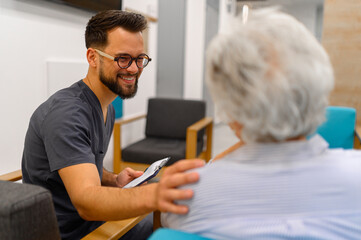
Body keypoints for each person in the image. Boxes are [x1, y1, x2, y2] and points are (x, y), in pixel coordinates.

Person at [162, 8, 361, 239]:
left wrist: (215, 164)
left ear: (230, 107)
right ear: (320, 86)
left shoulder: (190, 195)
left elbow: (169, 225)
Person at [21, 10, 204, 240]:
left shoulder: (107, 106)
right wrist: (155, 194)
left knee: (186, 213)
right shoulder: (67, 114)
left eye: (140, 59)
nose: (134, 69)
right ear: (92, 57)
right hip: (73, 232)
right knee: (177, 219)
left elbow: (85, 163)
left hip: (95, 221)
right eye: (123, 58)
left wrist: (114, 179)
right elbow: (87, 202)